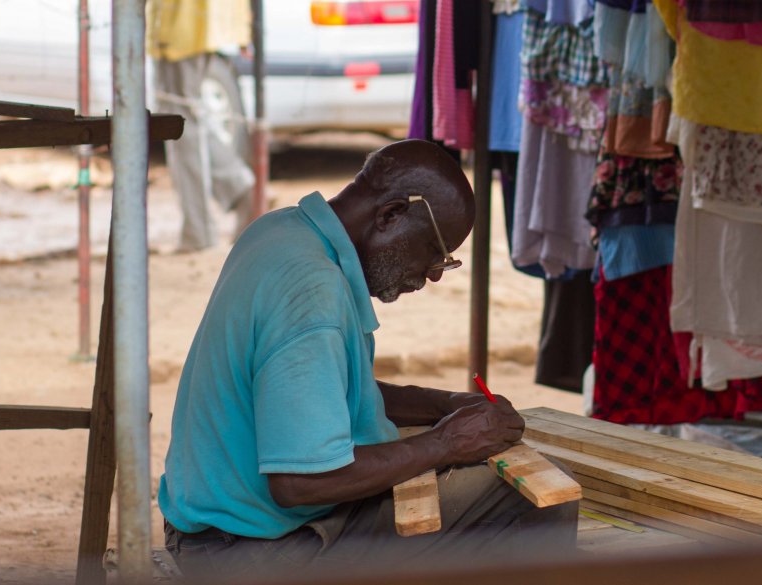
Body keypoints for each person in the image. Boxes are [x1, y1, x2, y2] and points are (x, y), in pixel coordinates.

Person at [158, 140, 579, 579]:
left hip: (212, 529)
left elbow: (321, 392)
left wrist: (447, 405)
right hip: (246, 551)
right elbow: (299, 481)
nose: (434, 273)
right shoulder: (313, 292)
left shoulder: (282, 231)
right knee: (539, 498)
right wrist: (446, 443)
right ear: (391, 215)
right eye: (435, 251)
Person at [148, 0, 256, 252]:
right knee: (189, 117)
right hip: (200, 23)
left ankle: (199, 230)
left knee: (178, 123)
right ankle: (238, 188)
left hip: (181, 26)